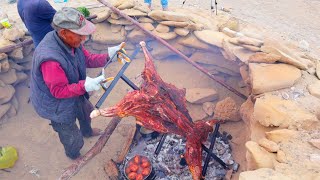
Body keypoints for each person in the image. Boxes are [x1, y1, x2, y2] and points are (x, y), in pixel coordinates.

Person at [30, 7, 123, 159]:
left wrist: (108, 56)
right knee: (69, 132)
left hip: (73, 89)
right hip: (55, 104)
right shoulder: (50, 59)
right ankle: (74, 153)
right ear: (63, 33)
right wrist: (84, 86)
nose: (84, 39)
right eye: (80, 35)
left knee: (86, 111)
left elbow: (87, 59)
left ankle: (87, 131)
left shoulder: (72, 42)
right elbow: (58, 91)